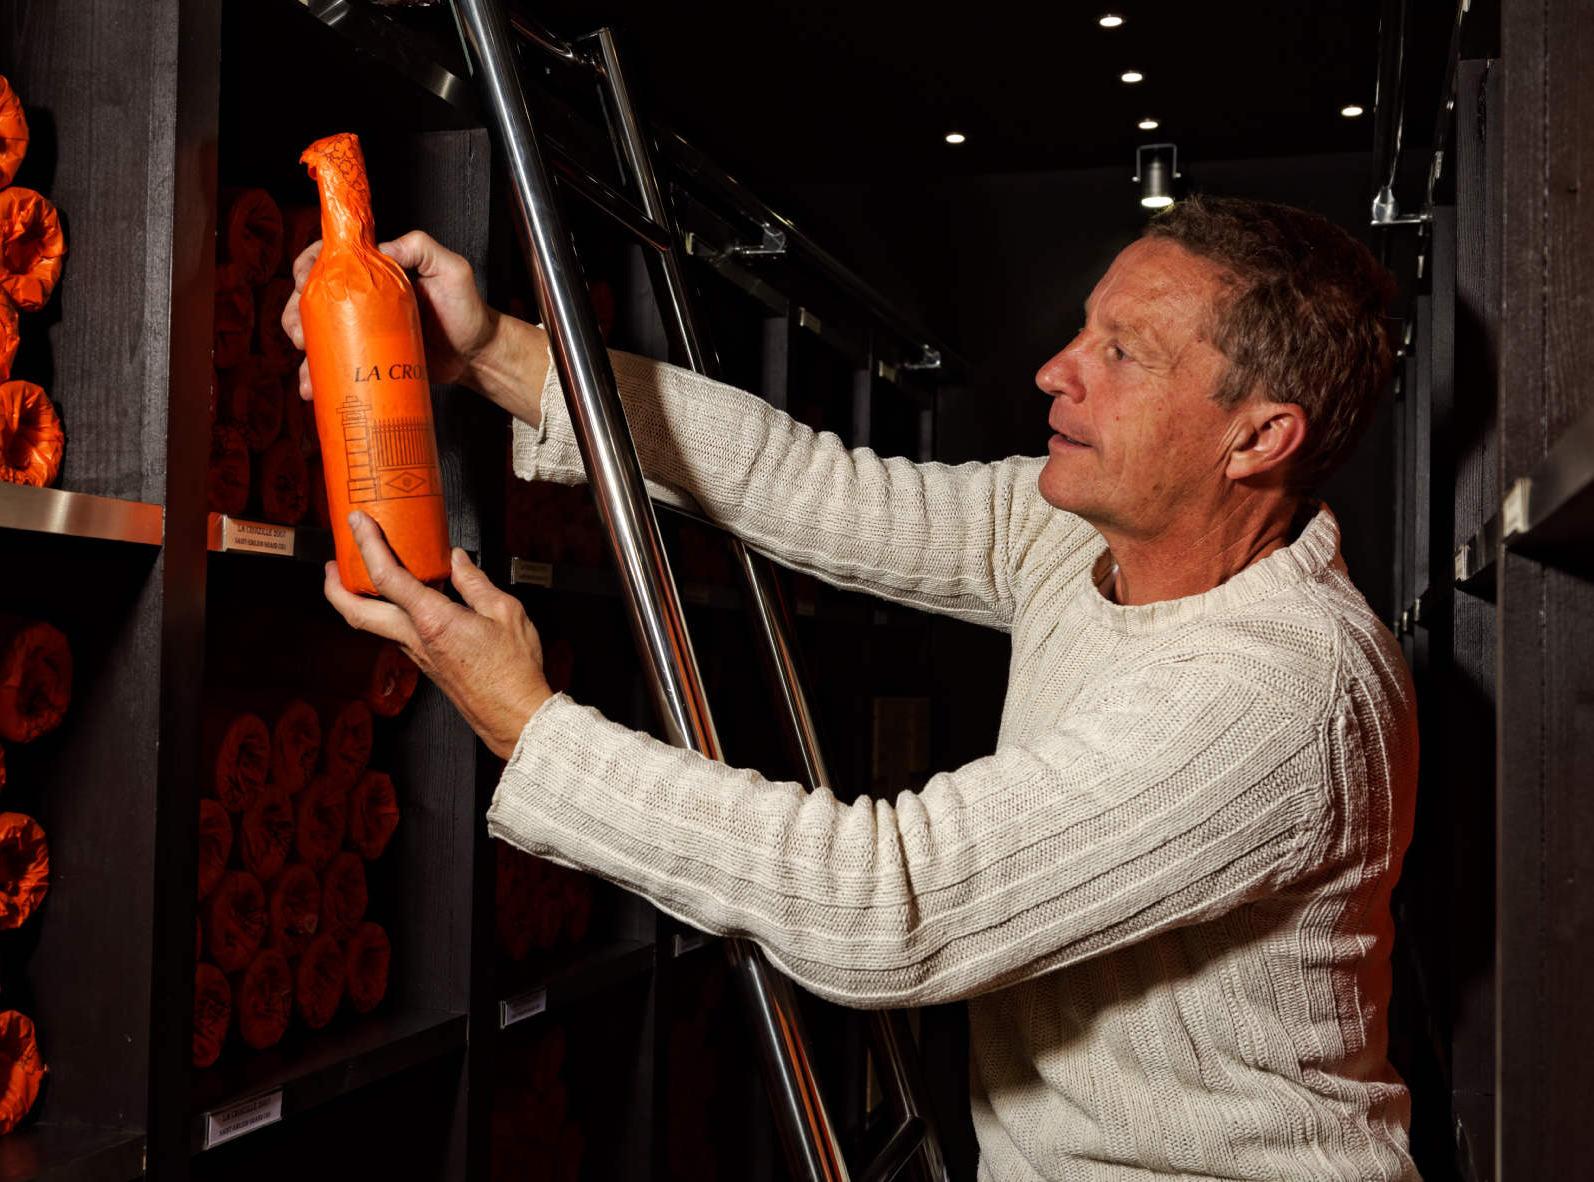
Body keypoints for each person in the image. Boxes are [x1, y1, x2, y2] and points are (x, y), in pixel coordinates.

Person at [283, 195, 1418, 1181]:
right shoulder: (1078, 536)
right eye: (1085, 327)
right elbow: (809, 487)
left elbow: (886, 905)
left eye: (1124, 354)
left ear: (1259, 437)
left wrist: (526, 723)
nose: (1054, 370)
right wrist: (490, 354)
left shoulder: (1277, 694)